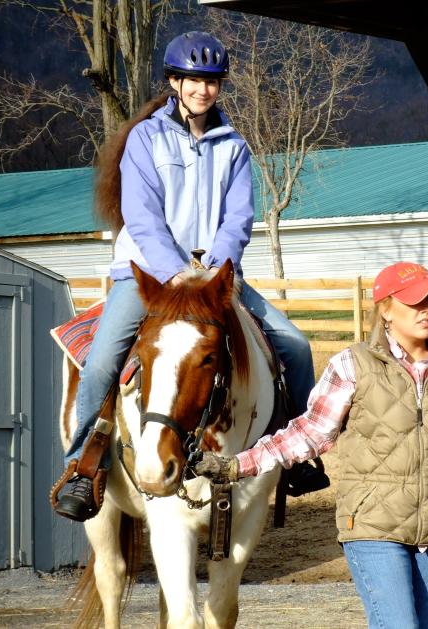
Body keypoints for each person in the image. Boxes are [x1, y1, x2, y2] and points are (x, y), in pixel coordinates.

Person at [53, 31, 325, 522]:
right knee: (98, 364)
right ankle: (82, 466)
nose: (203, 89)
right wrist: (174, 273)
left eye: (212, 81)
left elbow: (238, 218)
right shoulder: (145, 138)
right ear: (175, 81)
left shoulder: (234, 147)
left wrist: (215, 272)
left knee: (296, 345)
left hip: (214, 278)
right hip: (149, 277)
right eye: (194, 79)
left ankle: (299, 458)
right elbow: (141, 216)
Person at [195, 261, 428, 629]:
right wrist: (238, 465)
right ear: (385, 309)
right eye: (414, 302)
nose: (426, 309)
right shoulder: (353, 365)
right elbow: (310, 432)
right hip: (371, 526)